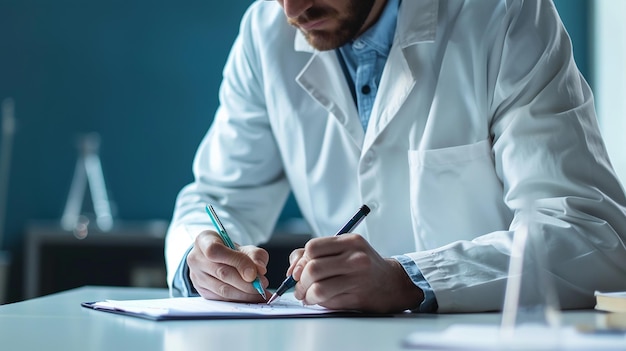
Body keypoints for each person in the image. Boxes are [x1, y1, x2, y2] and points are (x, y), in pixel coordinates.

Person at [165, 0, 626, 313]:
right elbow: (218, 195)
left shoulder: (503, 14)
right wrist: (200, 256)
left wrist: (412, 279)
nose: (292, 10)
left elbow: (591, 236)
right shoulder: (264, 32)